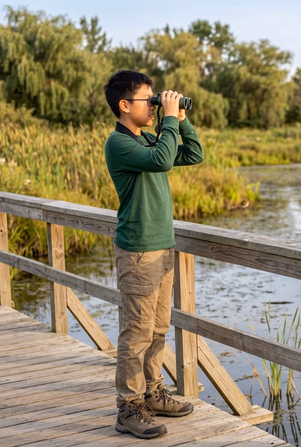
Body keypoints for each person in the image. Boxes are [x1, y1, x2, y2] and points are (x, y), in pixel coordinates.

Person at [103, 70, 204, 439]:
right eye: (150, 100)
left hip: (163, 247)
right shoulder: (120, 144)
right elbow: (163, 160)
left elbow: (193, 154)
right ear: (125, 105)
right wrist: (169, 124)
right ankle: (129, 408)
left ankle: (153, 393)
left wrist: (181, 118)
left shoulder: (149, 138)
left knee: (158, 329)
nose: (154, 106)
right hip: (139, 252)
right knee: (137, 332)